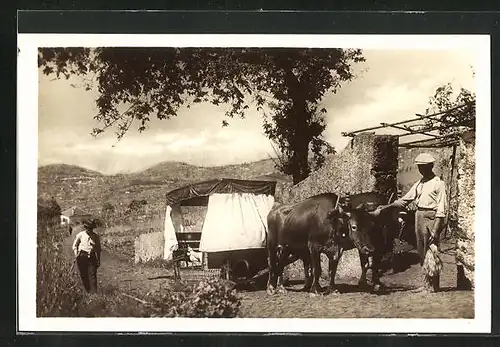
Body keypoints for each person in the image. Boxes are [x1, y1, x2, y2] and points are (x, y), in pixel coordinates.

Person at [376, 152, 447, 293]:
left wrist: (435, 229)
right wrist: (385, 207)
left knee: (432, 251)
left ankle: (433, 286)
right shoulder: (420, 183)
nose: (421, 169)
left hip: (431, 217)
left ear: (430, 166)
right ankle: (426, 284)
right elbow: (405, 200)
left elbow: (441, 208)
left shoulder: (438, 183)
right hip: (419, 215)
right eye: (419, 167)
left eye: (424, 166)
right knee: (421, 251)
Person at [72, 219, 102, 293]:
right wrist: (76, 254)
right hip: (82, 256)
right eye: (88, 228)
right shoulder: (80, 235)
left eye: (91, 228)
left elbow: (98, 249)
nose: (89, 230)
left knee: (93, 275)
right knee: (84, 274)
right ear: (85, 228)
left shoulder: (95, 236)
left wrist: (98, 260)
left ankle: (94, 293)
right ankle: (87, 291)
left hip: (92, 257)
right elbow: (74, 246)